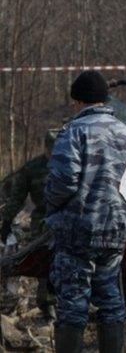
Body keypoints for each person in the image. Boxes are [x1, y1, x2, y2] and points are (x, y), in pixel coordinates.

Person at [44, 70, 126, 352]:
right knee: (111, 300)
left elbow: (61, 183)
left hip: (78, 232)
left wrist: (52, 211)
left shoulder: (73, 132)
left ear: (79, 102)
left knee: (73, 304)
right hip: (116, 230)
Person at [1, 129, 58, 316]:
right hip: (42, 223)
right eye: (51, 150)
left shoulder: (72, 164)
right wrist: (7, 220)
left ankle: (65, 304)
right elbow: (17, 197)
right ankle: (47, 304)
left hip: (67, 222)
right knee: (45, 264)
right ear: (45, 148)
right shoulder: (32, 168)